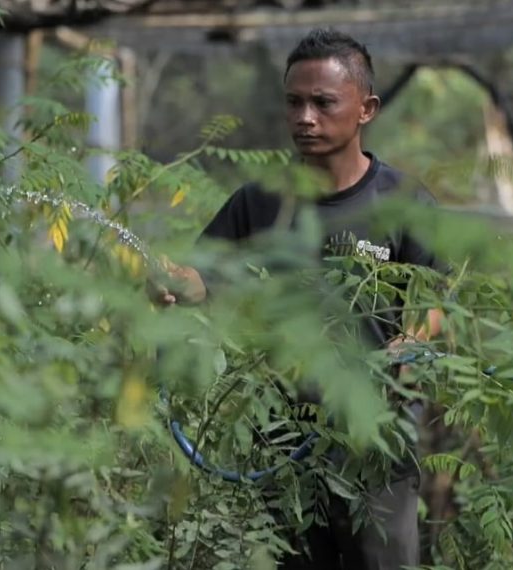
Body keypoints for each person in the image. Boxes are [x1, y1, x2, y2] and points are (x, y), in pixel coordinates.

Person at [149, 28, 446, 570]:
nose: (304, 117)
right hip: (281, 442)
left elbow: (436, 302)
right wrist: (176, 282)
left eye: (322, 103)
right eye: (294, 102)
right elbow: (206, 275)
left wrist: (412, 343)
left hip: (375, 440)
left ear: (366, 109)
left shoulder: (403, 202)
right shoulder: (260, 202)